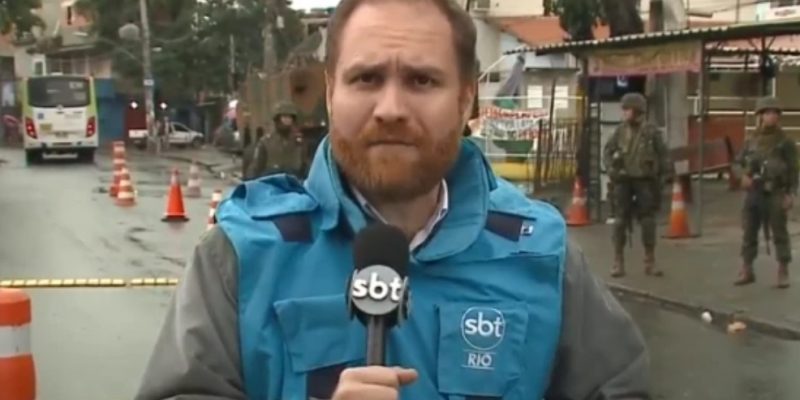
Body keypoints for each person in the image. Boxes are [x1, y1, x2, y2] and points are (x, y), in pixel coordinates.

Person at [136, 1, 650, 399]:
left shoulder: (541, 253)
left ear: (465, 99)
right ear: (331, 93)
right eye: (367, 78)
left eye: (421, 80)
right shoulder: (240, 256)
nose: (390, 108)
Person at [603, 92, 672, 278]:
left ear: (638, 111)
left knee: (648, 221)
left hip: (645, 181)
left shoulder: (651, 132)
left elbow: (664, 154)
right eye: (624, 109)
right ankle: (618, 261)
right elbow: (607, 152)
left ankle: (650, 260)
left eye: (628, 109)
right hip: (623, 180)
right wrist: (611, 169)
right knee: (619, 221)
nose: (625, 113)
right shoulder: (620, 131)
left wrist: (665, 176)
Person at [735, 96, 797, 289]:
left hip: (775, 191)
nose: (772, 116)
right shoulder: (751, 140)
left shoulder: (785, 142)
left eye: (775, 113)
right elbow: (737, 163)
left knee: (779, 232)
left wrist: (791, 194)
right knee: (749, 231)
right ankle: (747, 268)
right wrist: (741, 177)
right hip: (754, 191)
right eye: (768, 113)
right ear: (760, 115)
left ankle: (783, 270)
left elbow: (794, 170)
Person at [246, 101, 309, 179]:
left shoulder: (299, 142)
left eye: (290, 117)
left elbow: (305, 165)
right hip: (273, 181)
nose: (287, 120)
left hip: (293, 181)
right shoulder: (266, 142)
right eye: (284, 117)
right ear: (277, 119)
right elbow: (256, 168)